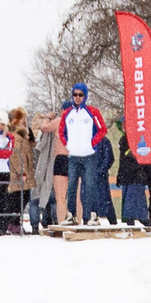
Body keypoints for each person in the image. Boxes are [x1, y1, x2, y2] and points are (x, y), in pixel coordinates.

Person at [55, 83, 107, 223]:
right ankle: (71, 215)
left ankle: (92, 214)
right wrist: (68, 144)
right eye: (75, 95)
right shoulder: (67, 114)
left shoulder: (92, 111)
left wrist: (92, 143)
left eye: (80, 95)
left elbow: (102, 129)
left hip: (89, 156)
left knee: (89, 185)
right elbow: (61, 131)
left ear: (85, 96)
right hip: (73, 156)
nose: (77, 98)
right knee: (71, 186)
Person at [116, 123, 151, 228]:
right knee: (128, 197)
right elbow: (121, 160)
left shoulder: (138, 138)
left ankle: (142, 218)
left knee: (135, 197)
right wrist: (120, 174)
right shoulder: (123, 139)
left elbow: (140, 156)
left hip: (136, 173)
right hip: (126, 174)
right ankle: (131, 219)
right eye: (123, 126)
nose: (125, 127)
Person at [31, 113, 59, 231]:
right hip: (48, 169)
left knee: (35, 199)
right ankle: (53, 222)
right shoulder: (51, 133)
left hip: (39, 170)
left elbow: (39, 149)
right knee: (51, 198)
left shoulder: (36, 137)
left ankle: (36, 225)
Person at [87, 123, 119, 222]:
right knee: (93, 198)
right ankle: (90, 218)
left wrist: (100, 171)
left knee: (104, 198)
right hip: (92, 174)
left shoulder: (103, 140)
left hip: (99, 175)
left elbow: (109, 158)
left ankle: (110, 219)